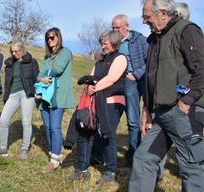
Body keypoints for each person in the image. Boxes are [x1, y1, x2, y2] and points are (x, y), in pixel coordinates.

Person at [129, 0, 204, 191]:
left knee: (192, 166)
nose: (144, 21)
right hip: (162, 113)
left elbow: (202, 68)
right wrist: (147, 107)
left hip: (184, 111)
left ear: (162, 13)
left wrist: (186, 102)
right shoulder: (155, 38)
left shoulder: (187, 30)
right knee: (144, 158)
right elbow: (151, 76)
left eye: (147, 17)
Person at [67, 30, 127, 185]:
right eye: (102, 42)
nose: (102, 45)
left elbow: (112, 78)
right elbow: (90, 79)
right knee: (84, 132)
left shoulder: (120, 58)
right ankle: (82, 169)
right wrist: (88, 89)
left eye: (105, 42)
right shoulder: (99, 62)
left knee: (107, 136)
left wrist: (95, 87)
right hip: (94, 101)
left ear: (113, 42)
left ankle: (110, 171)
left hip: (113, 101)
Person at [90, 14, 148, 167]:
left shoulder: (139, 40)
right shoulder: (111, 42)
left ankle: (133, 154)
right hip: (111, 83)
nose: (114, 30)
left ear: (126, 26)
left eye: (117, 27)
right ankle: (99, 153)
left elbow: (149, 62)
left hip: (131, 82)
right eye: (113, 27)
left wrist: (135, 75)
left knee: (133, 121)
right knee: (105, 119)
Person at [36, 27, 76, 173]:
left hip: (58, 95)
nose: (49, 40)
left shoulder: (65, 52)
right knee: (47, 127)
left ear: (58, 37)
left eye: (52, 37)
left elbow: (58, 69)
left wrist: (43, 77)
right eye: (47, 38)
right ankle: (54, 153)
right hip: (45, 96)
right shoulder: (47, 57)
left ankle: (54, 160)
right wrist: (42, 79)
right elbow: (39, 75)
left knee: (55, 127)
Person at [0, 41, 39, 159]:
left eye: (16, 51)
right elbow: (7, 83)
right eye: (12, 51)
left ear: (22, 50)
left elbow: (37, 79)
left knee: (26, 121)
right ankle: (3, 148)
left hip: (27, 94)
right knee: (3, 119)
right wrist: (6, 96)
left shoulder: (32, 62)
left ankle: (25, 148)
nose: (14, 53)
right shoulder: (9, 64)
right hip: (13, 95)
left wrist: (38, 94)